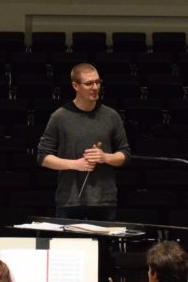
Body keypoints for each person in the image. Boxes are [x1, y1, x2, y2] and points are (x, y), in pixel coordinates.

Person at [37, 62, 131, 221]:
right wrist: (75, 164)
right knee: (70, 246)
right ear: (75, 85)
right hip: (70, 199)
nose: (95, 87)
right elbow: (43, 158)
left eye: (97, 82)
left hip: (104, 199)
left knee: (102, 246)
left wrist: (105, 157)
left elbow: (125, 154)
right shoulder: (59, 117)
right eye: (89, 83)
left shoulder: (111, 116)